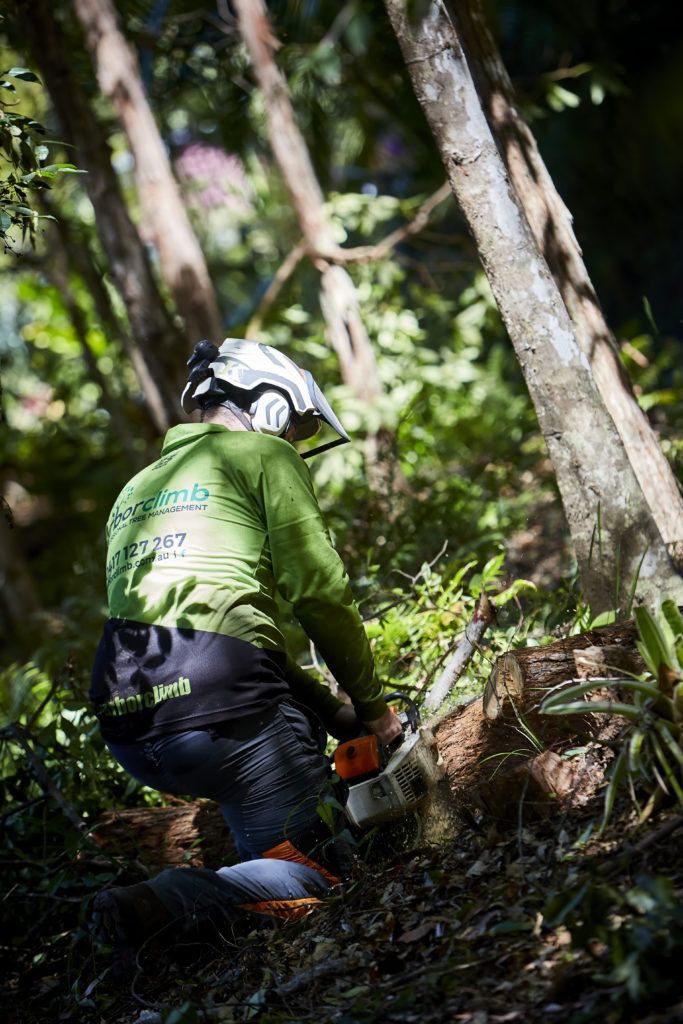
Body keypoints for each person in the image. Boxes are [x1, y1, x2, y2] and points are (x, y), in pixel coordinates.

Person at [90, 338, 401, 971]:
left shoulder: (135, 490)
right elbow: (319, 594)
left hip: (130, 723)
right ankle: (172, 899)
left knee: (265, 870)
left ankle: (164, 928)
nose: (292, 438)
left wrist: (334, 718)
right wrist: (374, 710)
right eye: (293, 423)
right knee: (318, 871)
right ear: (263, 404)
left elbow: (222, 634)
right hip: (221, 709)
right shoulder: (261, 455)